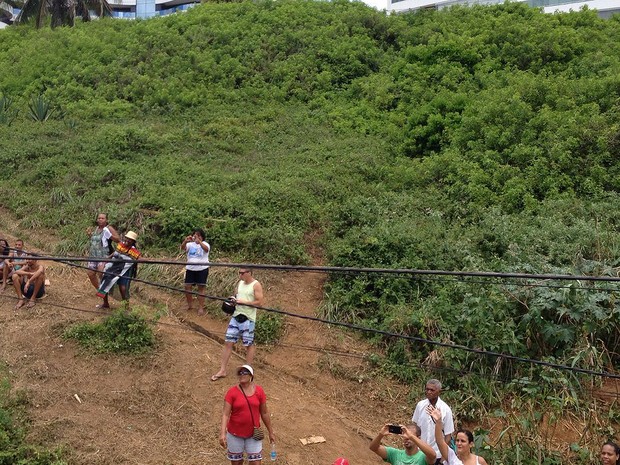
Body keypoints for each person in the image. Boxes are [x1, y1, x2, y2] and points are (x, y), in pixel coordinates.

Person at [211, 269, 264, 381]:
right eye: (239, 272)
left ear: (249, 272)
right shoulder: (240, 283)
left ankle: (247, 371)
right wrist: (232, 302)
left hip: (248, 319)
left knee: (248, 345)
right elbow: (237, 296)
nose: (240, 275)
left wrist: (243, 302)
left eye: (242, 273)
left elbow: (259, 302)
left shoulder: (256, 284)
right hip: (236, 316)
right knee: (228, 342)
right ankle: (222, 370)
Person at [219, 365, 275, 465]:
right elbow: (225, 414)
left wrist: (271, 432)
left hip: (253, 434)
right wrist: (222, 433)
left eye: (245, 372)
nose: (242, 374)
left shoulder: (259, 391)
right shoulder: (231, 392)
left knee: (256, 463)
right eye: (240, 373)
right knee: (237, 463)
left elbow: (264, 412)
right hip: (234, 434)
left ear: (251, 376)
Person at [412, 379, 455, 461]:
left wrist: (443, 457)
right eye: (427, 389)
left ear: (439, 392)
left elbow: (448, 436)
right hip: (420, 453)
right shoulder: (420, 405)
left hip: (437, 454)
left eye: (432, 390)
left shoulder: (446, 410)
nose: (428, 392)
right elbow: (414, 427)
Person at [86, 213, 121, 309]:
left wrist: (110, 236)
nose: (101, 220)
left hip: (104, 256)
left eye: (103, 218)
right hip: (93, 256)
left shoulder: (109, 228)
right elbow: (96, 241)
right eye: (99, 218)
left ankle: (105, 302)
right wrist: (90, 235)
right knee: (90, 274)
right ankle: (101, 291)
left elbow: (118, 240)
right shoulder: (96, 229)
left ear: (106, 220)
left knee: (102, 276)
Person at [96, 231, 141, 303]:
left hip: (124, 270)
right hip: (113, 268)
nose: (127, 240)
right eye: (126, 238)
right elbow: (116, 252)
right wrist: (108, 258)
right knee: (106, 281)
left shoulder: (134, 251)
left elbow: (139, 258)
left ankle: (126, 306)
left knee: (122, 288)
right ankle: (105, 303)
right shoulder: (121, 245)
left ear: (133, 241)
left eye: (129, 239)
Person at [370, 423, 436, 465]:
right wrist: (380, 435)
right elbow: (373, 448)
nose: (407, 438)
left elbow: (433, 455)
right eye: (405, 435)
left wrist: (411, 437)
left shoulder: (423, 457)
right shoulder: (395, 454)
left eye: (409, 435)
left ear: (418, 438)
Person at [180, 228, 210, 314]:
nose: (196, 237)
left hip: (202, 269)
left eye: (199, 235)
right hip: (190, 268)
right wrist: (185, 241)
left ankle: (201, 307)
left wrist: (199, 242)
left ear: (202, 236)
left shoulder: (205, 244)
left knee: (201, 288)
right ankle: (190, 305)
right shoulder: (190, 244)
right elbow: (182, 248)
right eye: (195, 235)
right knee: (187, 286)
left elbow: (206, 250)